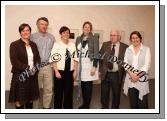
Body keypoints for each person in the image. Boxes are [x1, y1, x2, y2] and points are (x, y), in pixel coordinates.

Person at [8, 23, 40, 109]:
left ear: (30, 32)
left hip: (32, 76)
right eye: (23, 30)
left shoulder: (34, 44)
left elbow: (38, 59)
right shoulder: (14, 44)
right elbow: (14, 61)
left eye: (27, 30)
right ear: (20, 33)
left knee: (30, 100)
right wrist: (28, 68)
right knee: (20, 101)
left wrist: (35, 69)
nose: (25, 32)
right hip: (20, 76)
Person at [49, 26, 78, 109]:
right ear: (61, 34)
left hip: (70, 72)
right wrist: (56, 71)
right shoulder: (56, 44)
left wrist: (75, 71)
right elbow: (53, 59)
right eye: (64, 32)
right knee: (58, 93)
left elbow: (75, 59)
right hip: (59, 72)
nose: (66, 34)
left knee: (68, 92)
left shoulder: (72, 45)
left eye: (67, 33)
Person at [31, 17, 56, 109]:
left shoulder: (52, 37)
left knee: (48, 88)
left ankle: (46, 107)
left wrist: (54, 66)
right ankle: (35, 108)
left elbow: (54, 52)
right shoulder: (32, 37)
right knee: (35, 89)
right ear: (37, 25)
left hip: (48, 66)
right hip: (36, 66)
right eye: (42, 24)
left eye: (46, 24)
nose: (44, 26)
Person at [99, 30, 128, 109]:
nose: (112, 37)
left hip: (117, 74)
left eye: (114, 35)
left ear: (119, 37)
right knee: (104, 93)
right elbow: (100, 57)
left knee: (116, 93)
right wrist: (100, 70)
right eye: (111, 35)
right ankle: (104, 107)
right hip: (106, 73)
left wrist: (126, 76)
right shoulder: (105, 44)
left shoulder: (125, 47)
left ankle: (115, 109)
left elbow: (127, 62)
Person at [123, 31, 151, 109]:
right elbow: (125, 63)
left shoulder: (146, 49)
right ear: (130, 39)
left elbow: (147, 65)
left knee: (143, 103)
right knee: (133, 103)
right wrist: (132, 75)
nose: (135, 39)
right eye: (133, 38)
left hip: (141, 79)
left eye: (136, 37)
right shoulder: (128, 49)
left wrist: (137, 76)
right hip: (130, 79)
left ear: (140, 38)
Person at [75, 21, 99, 109]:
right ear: (83, 28)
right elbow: (75, 53)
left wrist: (94, 66)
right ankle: (84, 103)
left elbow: (96, 53)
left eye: (89, 27)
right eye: (85, 27)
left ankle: (87, 106)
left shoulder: (94, 38)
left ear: (91, 29)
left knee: (88, 86)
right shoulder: (78, 38)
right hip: (81, 65)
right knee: (83, 85)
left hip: (90, 64)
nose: (87, 28)